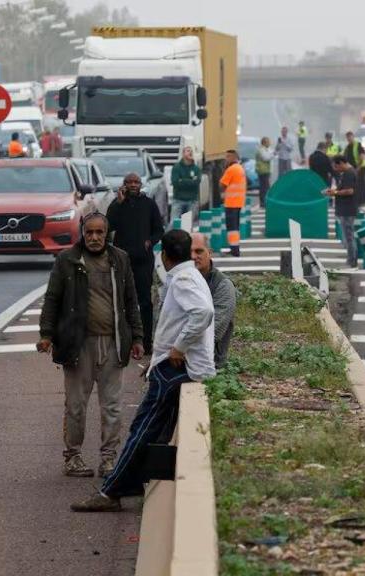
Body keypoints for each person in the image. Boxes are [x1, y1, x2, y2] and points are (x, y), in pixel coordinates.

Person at [71, 229, 215, 512]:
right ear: (187, 252)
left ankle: (110, 492)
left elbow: (202, 313)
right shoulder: (190, 276)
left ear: (164, 255)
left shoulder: (184, 279)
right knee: (156, 430)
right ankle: (134, 482)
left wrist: (178, 349)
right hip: (179, 367)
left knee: (142, 429)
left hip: (177, 369)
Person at [37, 212, 145, 478]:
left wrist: (139, 337)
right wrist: (46, 334)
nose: (94, 238)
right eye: (89, 233)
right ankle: (73, 457)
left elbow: (131, 300)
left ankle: (108, 459)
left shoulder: (120, 259)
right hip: (78, 346)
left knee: (112, 406)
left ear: (107, 234)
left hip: (112, 344)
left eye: (99, 233)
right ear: (82, 233)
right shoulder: (67, 260)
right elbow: (52, 299)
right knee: (75, 405)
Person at [107, 173, 164, 355]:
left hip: (143, 260)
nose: (132, 185)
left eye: (135, 182)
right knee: (121, 302)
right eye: (129, 182)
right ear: (123, 185)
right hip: (121, 261)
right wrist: (118, 203)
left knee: (145, 302)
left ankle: (146, 342)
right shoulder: (118, 204)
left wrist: (150, 242)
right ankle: (124, 342)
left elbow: (159, 230)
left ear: (141, 184)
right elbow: (108, 226)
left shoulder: (149, 204)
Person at [190, 232, 237, 369]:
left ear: (209, 253)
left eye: (199, 251)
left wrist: (177, 347)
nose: (193, 256)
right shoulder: (181, 281)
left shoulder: (223, 285)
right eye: (189, 252)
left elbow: (214, 332)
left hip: (210, 363)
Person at [329, 155, 360, 269]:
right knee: (348, 235)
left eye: (337, 167)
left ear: (342, 163)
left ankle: (352, 261)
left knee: (349, 236)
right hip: (346, 208)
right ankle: (351, 259)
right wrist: (335, 191)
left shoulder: (349, 173)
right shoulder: (348, 173)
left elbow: (349, 191)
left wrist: (335, 193)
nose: (336, 169)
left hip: (347, 209)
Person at [219, 150, 246, 257]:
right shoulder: (240, 168)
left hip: (231, 203)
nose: (226, 159)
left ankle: (234, 250)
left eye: (227, 157)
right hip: (238, 202)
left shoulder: (231, 169)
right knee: (235, 227)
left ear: (233, 157)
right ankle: (235, 249)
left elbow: (222, 184)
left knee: (232, 228)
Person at [170, 146, 201, 221]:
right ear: (183, 154)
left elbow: (196, 183)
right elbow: (175, 182)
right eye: (187, 151)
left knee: (187, 224)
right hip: (178, 200)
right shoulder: (176, 167)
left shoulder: (196, 168)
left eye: (191, 151)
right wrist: (190, 181)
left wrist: (182, 180)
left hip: (192, 200)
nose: (190, 152)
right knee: (174, 223)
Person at [344, 131, 365, 206]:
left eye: (350, 137)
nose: (349, 139)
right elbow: (345, 156)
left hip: (361, 167)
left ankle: (362, 201)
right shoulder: (348, 147)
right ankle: (356, 200)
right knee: (355, 184)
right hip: (353, 168)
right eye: (347, 138)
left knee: (360, 183)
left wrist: (358, 168)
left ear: (353, 137)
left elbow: (362, 157)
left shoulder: (358, 145)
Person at [256, 137, 274, 207]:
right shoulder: (261, 150)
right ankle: (263, 202)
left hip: (266, 170)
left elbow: (270, 153)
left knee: (265, 187)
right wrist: (273, 154)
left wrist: (273, 153)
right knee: (265, 187)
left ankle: (264, 201)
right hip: (263, 171)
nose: (269, 143)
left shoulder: (266, 149)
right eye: (268, 142)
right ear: (264, 143)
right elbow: (266, 158)